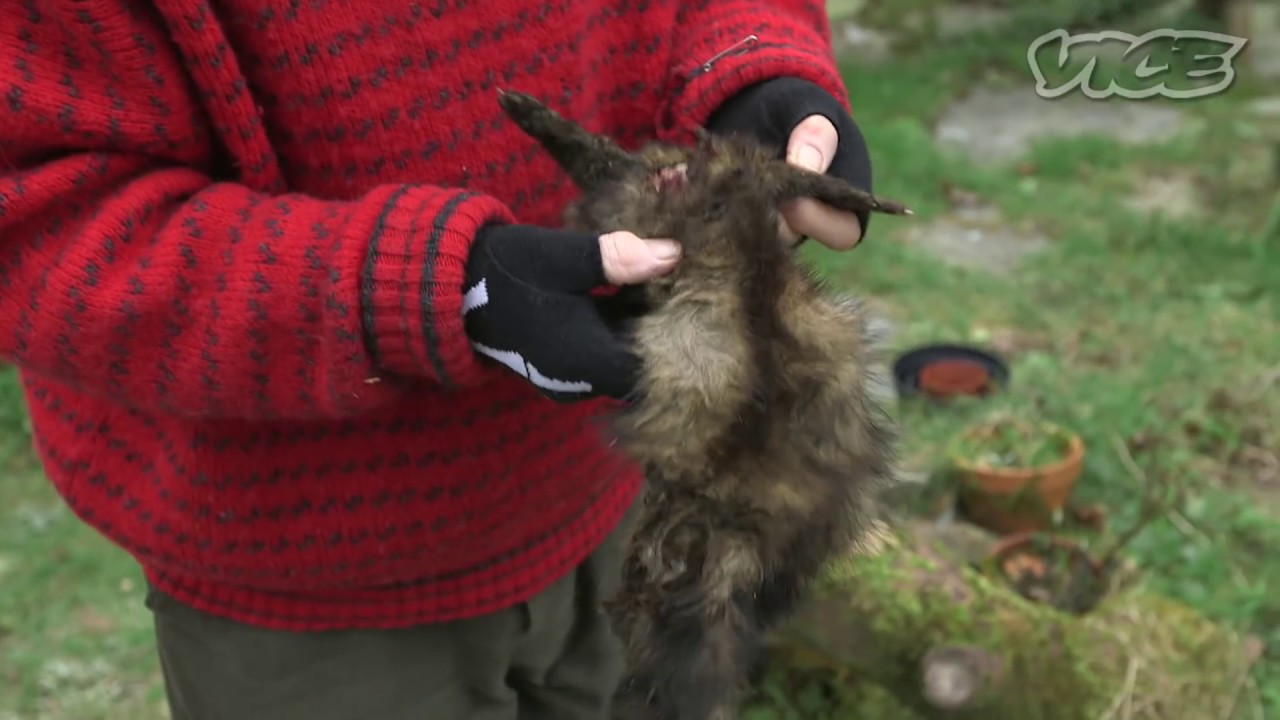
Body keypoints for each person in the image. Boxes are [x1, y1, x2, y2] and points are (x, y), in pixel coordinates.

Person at [0, 1, 874, 718]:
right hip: (319, 604)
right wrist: (424, 286)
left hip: (616, 496)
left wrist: (752, 63)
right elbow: (36, 221)